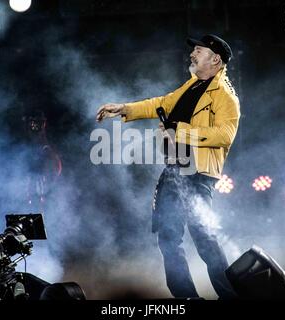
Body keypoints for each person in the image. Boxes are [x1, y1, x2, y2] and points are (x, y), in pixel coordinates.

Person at [96, 34, 240, 299]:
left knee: (204, 240)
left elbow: (224, 135)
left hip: (197, 175)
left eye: (199, 50)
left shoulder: (226, 96)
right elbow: (162, 103)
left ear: (215, 59)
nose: (192, 54)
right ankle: (187, 298)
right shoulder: (193, 86)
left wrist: (180, 130)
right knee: (168, 238)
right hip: (175, 171)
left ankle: (231, 296)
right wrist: (124, 108)